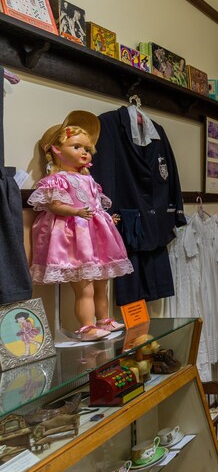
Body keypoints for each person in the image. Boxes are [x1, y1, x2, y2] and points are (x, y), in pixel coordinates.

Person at [28, 111, 133, 341]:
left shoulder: (89, 179)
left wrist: (105, 217)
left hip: (95, 236)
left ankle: (104, 318)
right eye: (77, 147)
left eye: (87, 149)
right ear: (55, 149)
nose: (84, 152)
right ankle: (87, 326)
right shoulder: (57, 180)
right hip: (75, 238)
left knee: (101, 282)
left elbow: (95, 203)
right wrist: (76, 211)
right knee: (83, 286)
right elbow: (54, 205)